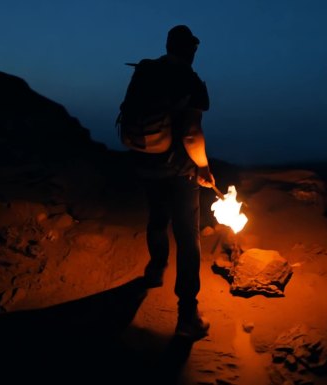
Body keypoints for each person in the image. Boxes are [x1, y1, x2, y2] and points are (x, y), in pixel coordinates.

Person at [122, 25, 214, 340]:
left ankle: (155, 268)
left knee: (157, 216)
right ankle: (187, 314)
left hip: (145, 161)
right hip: (180, 171)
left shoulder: (146, 71)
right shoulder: (190, 81)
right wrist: (203, 167)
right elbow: (191, 134)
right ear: (190, 50)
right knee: (188, 238)